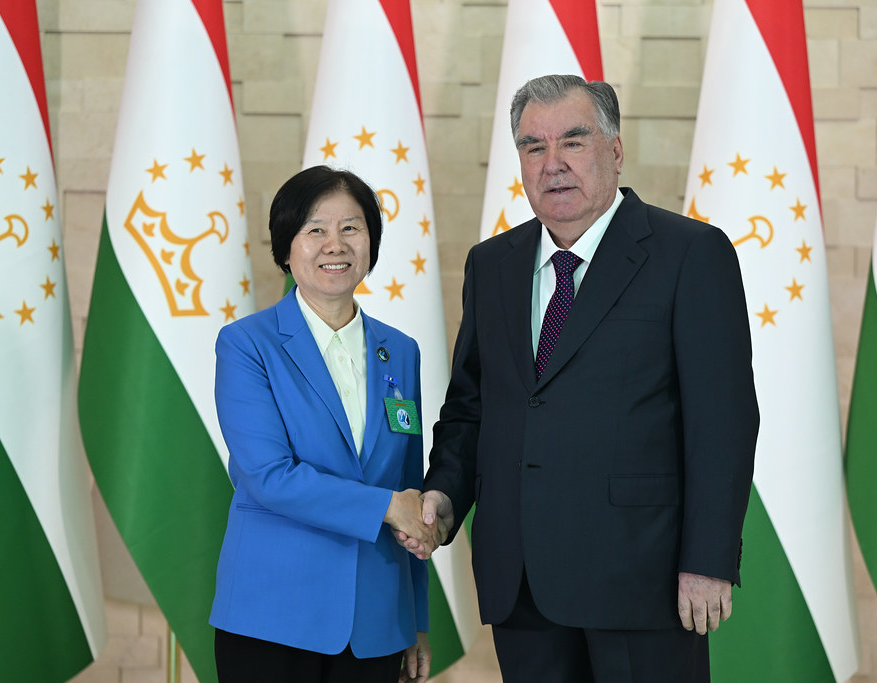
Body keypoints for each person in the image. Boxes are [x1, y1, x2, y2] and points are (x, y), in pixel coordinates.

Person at [401, 75, 759, 682]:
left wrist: (708, 558)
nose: (553, 163)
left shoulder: (690, 253)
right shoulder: (492, 265)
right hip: (521, 583)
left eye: (573, 141)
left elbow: (722, 422)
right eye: (533, 146)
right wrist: (444, 495)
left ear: (615, 150)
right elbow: (471, 407)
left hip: (641, 578)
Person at [210, 166, 440, 682]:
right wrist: (386, 507)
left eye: (351, 228)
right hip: (271, 615)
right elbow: (270, 477)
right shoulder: (248, 345)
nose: (335, 244)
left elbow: (409, 489)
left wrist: (414, 619)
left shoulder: (401, 351)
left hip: (377, 622)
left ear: (370, 243)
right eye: (315, 229)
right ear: (286, 248)